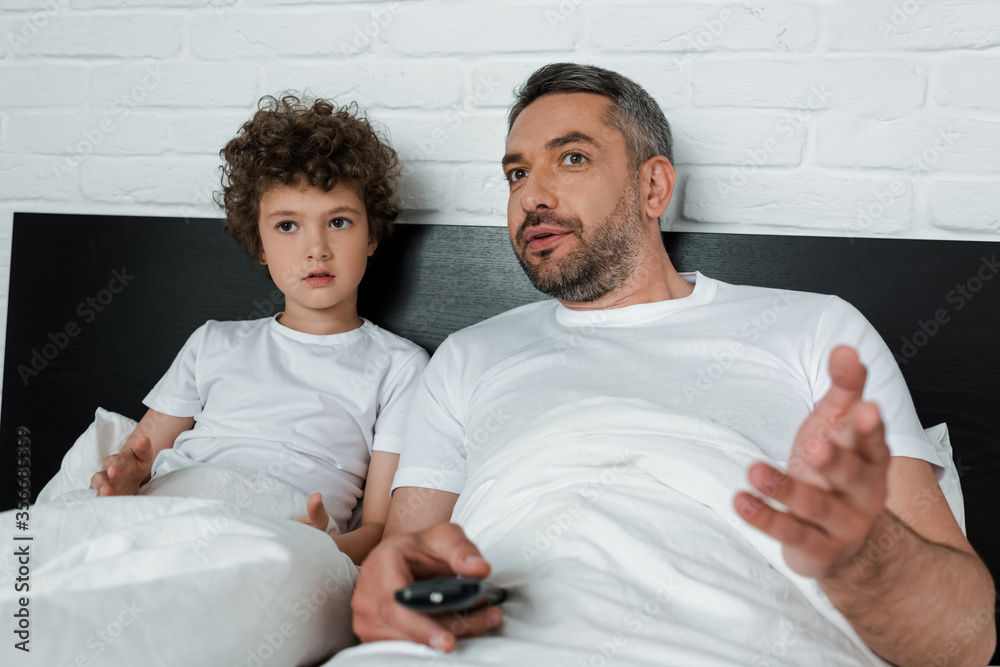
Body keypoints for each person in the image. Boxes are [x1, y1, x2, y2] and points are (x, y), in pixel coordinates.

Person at [345, 64, 996, 665]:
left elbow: (966, 638)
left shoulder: (816, 329)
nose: (531, 196)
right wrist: (386, 585)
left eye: (571, 158)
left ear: (653, 184)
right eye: (516, 172)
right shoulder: (467, 356)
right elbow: (408, 562)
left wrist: (862, 555)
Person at [89, 94, 429, 565]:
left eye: (339, 222)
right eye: (288, 225)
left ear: (371, 235)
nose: (317, 249)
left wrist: (319, 549)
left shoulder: (400, 366)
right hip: (175, 506)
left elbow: (377, 529)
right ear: (260, 244)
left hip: (286, 530)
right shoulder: (213, 341)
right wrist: (124, 482)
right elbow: (141, 457)